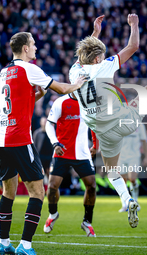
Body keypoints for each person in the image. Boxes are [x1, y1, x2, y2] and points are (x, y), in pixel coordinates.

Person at [69, 14, 147, 228]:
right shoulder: (104, 66)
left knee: (112, 171)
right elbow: (133, 45)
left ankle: (127, 199)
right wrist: (134, 24)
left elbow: (82, 56)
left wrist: (95, 34)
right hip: (123, 122)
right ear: (97, 59)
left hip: (102, 131)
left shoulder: (73, 71)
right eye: (101, 55)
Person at [0, 32, 86, 255]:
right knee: (37, 192)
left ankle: (3, 243)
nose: (36, 48)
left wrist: (39, 94)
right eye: (33, 44)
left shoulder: (4, 72)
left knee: (8, 192)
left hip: (2, 139)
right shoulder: (30, 69)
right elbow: (62, 89)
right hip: (20, 139)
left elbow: (19, 101)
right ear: (25, 48)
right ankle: (25, 245)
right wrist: (77, 84)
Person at [43, 93, 97, 237]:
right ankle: (53, 214)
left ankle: (87, 221)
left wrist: (96, 145)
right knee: (52, 186)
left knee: (91, 186)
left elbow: (94, 125)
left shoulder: (89, 103)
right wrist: (55, 143)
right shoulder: (61, 102)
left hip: (82, 153)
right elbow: (49, 124)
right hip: (62, 150)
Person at [117, 125, 147, 212]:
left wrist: (146, 157)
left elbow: (144, 141)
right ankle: (124, 204)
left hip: (134, 156)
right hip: (121, 156)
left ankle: (135, 201)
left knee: (132, 179)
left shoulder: (139, 124)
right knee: (122, 182)